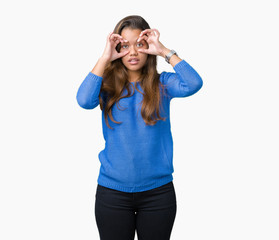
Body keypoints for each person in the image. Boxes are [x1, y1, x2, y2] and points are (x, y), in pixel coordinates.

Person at [76, 15, 203, 240]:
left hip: (158, 194)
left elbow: (193, 83)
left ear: (148, 48)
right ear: (117, 48)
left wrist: (164, 51)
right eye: (125, 46)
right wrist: (105, 57)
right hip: (112, 194)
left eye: (139, 45)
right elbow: (84, 100)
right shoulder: (105, 86)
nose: (133, 52)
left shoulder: (163, 84)